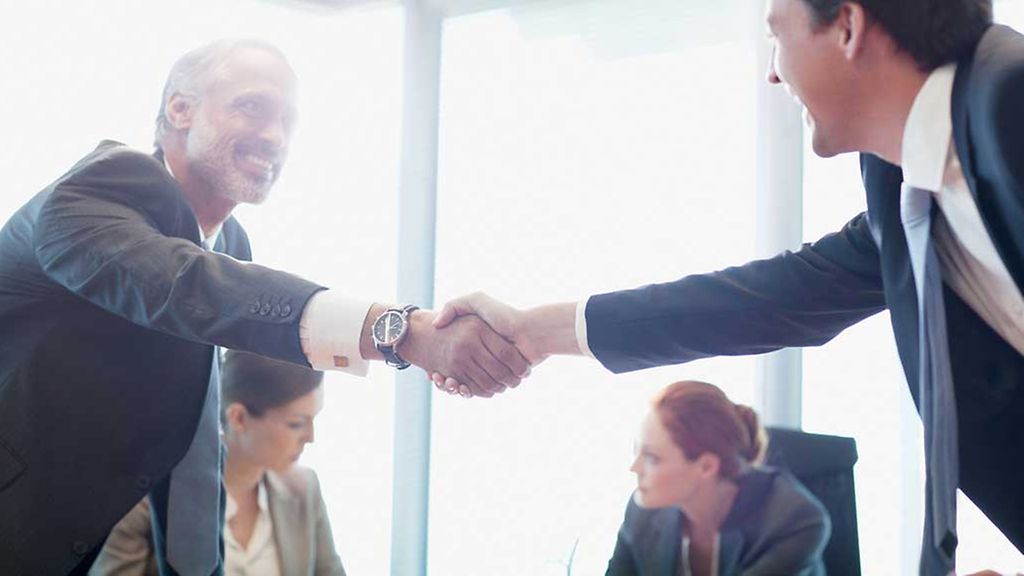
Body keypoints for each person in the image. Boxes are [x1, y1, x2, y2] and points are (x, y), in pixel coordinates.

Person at [432, 0, 1023, 572]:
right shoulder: (900, 181)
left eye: (776, 33)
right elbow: (774, 300)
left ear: (847, 26)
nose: (772, 70)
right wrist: (534, 332)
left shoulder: (1011, 102)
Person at [0, 39, 528, 575]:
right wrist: (399, 331)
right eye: (252, 107)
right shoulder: (93, 193)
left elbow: (198, 429)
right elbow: (190, 288)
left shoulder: (230, 244)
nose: (274, 137)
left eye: (288, 122)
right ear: (180, 109)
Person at [91, 350, 346, 576]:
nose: (311, 438)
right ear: (239, 418)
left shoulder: (305, 488)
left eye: (314, 419)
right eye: (296, 423)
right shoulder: (148, 502)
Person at [607, 381, 829, 576]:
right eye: (637, 452)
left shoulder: (793, 521)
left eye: (652, 458)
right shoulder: (643, 511)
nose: (633, 468)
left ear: (706, 466)